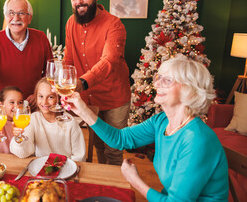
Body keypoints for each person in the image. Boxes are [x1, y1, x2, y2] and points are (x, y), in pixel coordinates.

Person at [62, 56, 229, 201]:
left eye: (167, 80)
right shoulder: (162, 121)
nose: (157, 83)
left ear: (190, 92)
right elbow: (120, 139)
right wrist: (82, 109)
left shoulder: (197, 140)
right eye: (159, 77)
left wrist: (135, 181)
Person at [64, 0, 131, 165]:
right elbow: (68, 58)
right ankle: (103, 188)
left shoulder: (114, 24)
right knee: (99, 146)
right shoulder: (70, 23)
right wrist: (63, 80)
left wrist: (82, 82)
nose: (79, 1)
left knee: (113, 150)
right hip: (89, 99)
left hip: (114, 98)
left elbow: (109, 60)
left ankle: (115, 192)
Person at [0, 0, 53, 110]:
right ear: (5, 16)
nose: (15, 18)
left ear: (29, 18)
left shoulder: (41, 38)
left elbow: (50, 73)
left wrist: (39, 95)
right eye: (11, 13)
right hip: (4, 108)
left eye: (21, 13)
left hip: (34, 107)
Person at [10, 78, 86, 161]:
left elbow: (79, 157)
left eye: (50, 97)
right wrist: (18, 139)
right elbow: (23, 153)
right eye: (41, 96)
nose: (44, 102)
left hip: (66, 169)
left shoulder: (70, 122)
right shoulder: (33, 119)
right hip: (41, 168)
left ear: (58, 98)